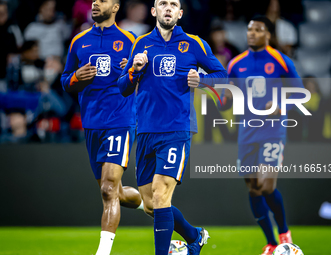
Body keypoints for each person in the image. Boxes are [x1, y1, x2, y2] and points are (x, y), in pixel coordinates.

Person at [118, 0, 227, 254]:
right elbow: (123, 88)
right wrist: (134, 70)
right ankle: (195, 236)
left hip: (177, 129)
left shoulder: (194, 43)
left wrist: (201, 80)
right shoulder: (141, 43)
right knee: (150, 205)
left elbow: (222, 75)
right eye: (162, 3)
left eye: (173, 4)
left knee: (160, 195)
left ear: (180, 12)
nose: (168, 7)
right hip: (144, 131)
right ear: (154, 11)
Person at [60, 1, 143, 255]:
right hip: (92, 124)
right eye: (94, 0)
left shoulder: (131, 40)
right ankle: (145, 202)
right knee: (114, 191)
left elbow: (145, 78)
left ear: (116, 7)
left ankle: (102, 252)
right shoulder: (79, 41)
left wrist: (132, 73)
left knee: (108, 189)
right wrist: (76, 77)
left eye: (103, 0)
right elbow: (65, 81)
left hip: (119, 121)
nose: (96, 3)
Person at [220, 16, 303, 255]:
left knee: (267, 185)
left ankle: (284, 231)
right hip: (247, 131)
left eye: (258, 29)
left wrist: (280, 107)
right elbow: (226, 100)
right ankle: (271, 242)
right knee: (253, 188)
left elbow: (299, 93)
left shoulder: (279, 60)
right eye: (249, 29)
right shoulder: (236, 64)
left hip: (273, 131)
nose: (252, 33)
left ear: (269, 34)